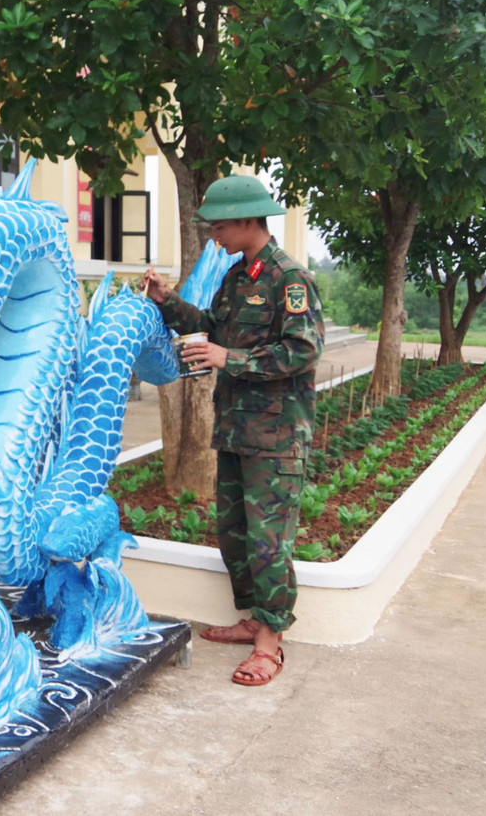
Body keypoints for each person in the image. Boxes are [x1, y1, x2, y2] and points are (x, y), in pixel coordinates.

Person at [141, 175, 324, 687]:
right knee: (235, 536)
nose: (214, 235)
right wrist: (166, 300)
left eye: (220, 225)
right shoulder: (237, 276)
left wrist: (229, 358)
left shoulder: (290, 280)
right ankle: (252, 619)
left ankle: (270, 642)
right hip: (236, 430)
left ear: (248, 220)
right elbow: (212, 327)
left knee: (269, 541)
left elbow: (303, 351)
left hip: (277, 436)